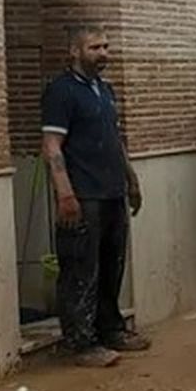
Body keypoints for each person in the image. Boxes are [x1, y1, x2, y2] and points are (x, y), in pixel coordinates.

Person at [40, 26, 149, 367]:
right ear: (74, 51)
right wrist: (65, 194)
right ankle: (80, 341)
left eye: (106, 46)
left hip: (112, 191)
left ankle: (110, 328)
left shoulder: (104, 89)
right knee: (80, 269)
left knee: (112, 264)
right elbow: (52, 146)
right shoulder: (61, 91)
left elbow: (116, 140)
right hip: (83, 194)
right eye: (95, 47)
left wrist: (131, 180)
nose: (104, 53)